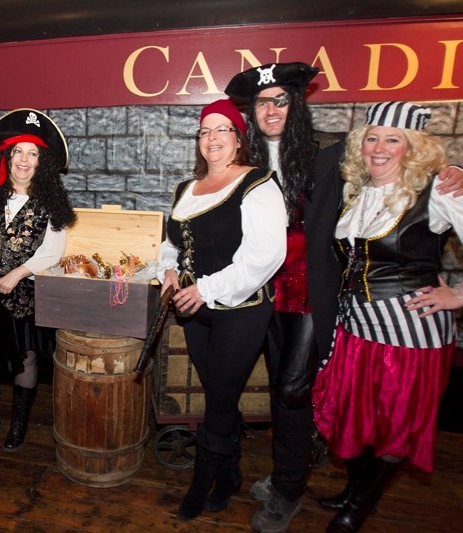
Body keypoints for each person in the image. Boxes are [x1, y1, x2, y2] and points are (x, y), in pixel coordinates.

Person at [224, 63, 463, 533]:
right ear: (251, 112)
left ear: (297, 104)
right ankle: (291, 471)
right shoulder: (248, 158)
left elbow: (400, 155)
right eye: (261, 102)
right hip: (259, 289)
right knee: (281, 386)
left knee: (294, 390)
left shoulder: (333, 151)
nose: (271, 109)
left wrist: (452, 171)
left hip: (311, 292)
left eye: (281, 99)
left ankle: (288, 487)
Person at [312, 101, 463, 533]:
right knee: (357, 417)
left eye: (393, 139)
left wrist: (461, 294)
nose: (379, 147)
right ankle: (354, 490)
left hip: (410, 333)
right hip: (355, 327)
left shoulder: (438, 190)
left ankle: (361, 506)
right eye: (372, 137)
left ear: (414, 148)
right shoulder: (359, 190)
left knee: (397, 424)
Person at [158, 99, 287, 521]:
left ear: (238, 139)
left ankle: (202, 483)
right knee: (218, 394)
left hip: (241, 309)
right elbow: (172, 243)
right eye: (204, 132)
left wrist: (205, 289)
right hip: (196, 310)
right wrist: (169, 272)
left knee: (219, 400)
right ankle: (229, 473)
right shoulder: (186, 189)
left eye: (222, 130)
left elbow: (266, 256)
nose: (211, 139)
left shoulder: (258, 184)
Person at [0, 108, 76, 453]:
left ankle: (18, 424)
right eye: (17, 152)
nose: (24, 160)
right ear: (5, 155)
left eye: (33, 153)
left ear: (43, 161)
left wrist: (18, 273)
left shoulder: (50, 201)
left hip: (23, 294)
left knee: (25, 360)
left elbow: (53, 251)